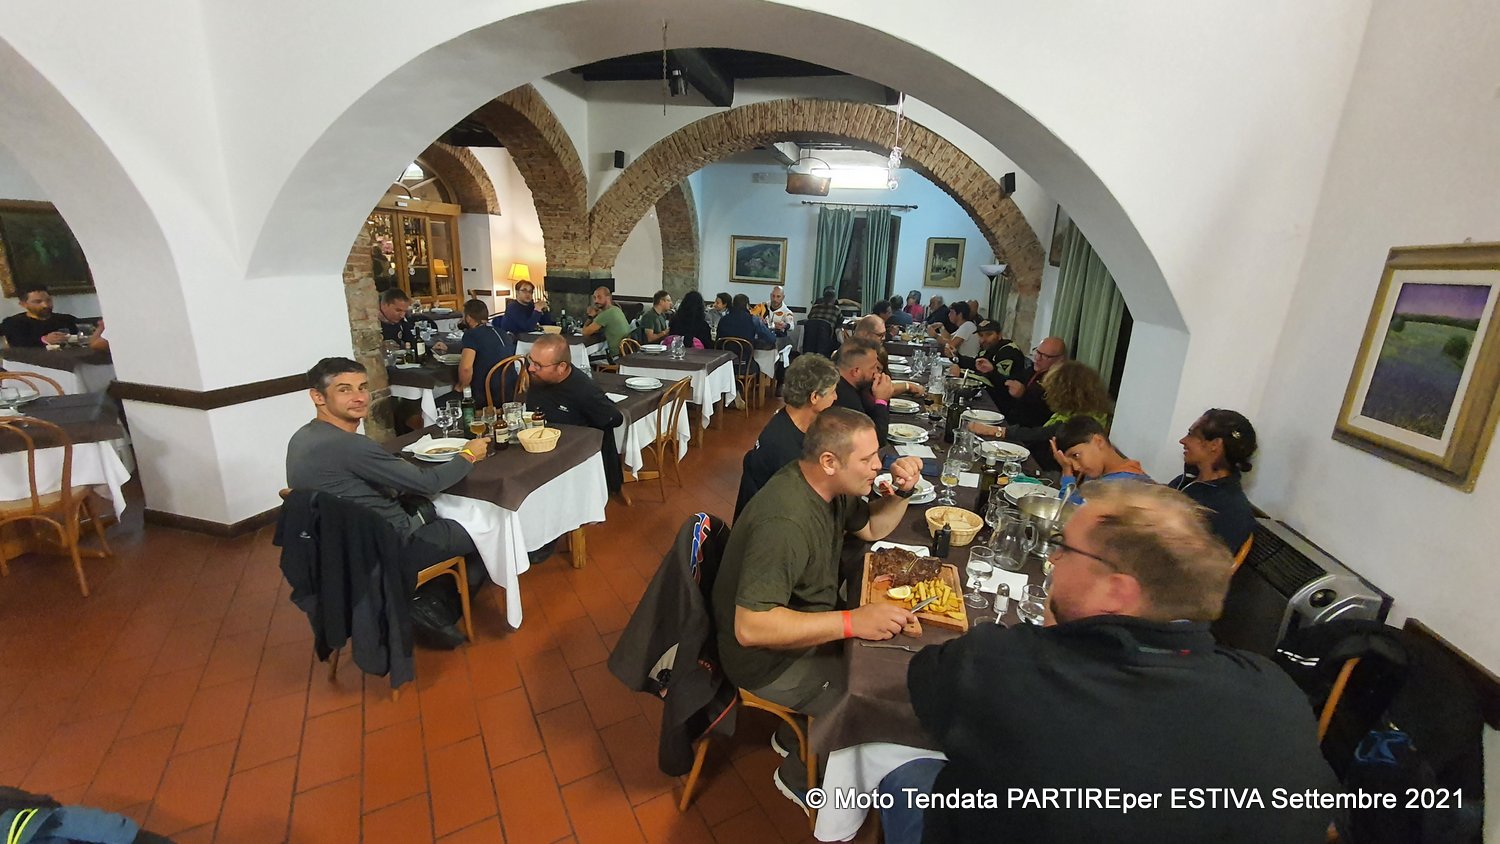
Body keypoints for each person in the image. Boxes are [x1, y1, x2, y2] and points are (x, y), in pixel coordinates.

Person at [903, 481, 1336, 843]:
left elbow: (924, 678)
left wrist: (1051, 634)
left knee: (906, 775)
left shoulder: (1001, 664)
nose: (1052, 559)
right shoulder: (1277, 692)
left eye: (1065, 548)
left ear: (1116, 591)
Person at [714, 408, 924, 806]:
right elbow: (751, 627)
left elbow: (872, 528)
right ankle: (798, 776)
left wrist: (903, 492)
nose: (878, 466)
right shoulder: (786, 521)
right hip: (762, 662)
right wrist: (852, 622)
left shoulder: (828, 488)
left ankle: (794, 732)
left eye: (878, 455)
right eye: (868, 458)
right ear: (829, 461)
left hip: (798, 633)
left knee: (878, 662)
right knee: (867, 697)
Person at [285, 357, 489, 645]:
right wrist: (469, 454)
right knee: (483, 531)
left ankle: (417, 597)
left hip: (332, 552)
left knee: (432, 508)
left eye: (362, 387)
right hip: (381, 551)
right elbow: (428, 483)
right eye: (344, 389)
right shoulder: (348, 445)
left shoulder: (303, 437)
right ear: (318, 397)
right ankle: (431, 606)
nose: (359, 397)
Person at [734, 354, 839, 517]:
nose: (836, 397)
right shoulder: (783, 447)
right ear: (814, 397)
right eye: (832, 392)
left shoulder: (788, 418)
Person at [524, 334, 625, 494]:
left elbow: (615, 419)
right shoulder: (540, 378)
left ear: (561, 367)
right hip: (541, 447)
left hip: (575, 459)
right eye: (530, 361)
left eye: (538, 365)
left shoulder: (584, 390)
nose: (530, 368)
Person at [972, 360, 1111, 472]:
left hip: (1051, 471)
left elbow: (1040, 434)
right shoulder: (1078, 409)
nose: (1048, 394)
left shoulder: (1084, 422)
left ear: (1067, 392)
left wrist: (994, 431)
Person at [1168, 409, 1259, 552]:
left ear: (1215, 445)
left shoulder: (1232, 511)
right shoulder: (1186, 480)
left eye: (1191, 434)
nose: (1183, 440)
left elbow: (1206, 563)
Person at [1051, 415, 1153, 504]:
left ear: (1098, 441)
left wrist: (1067, 474)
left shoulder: (1125, 486)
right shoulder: (1099, 474)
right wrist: (1067, 468)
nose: (1076, 467)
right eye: (1070, 462)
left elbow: (1070, 512)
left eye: (1076, 455)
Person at [454, 298, 517, 407]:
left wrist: (460, 387)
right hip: (510, 392)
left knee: (443, 401)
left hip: (486, 396)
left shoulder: (471, 335)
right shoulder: (502, 332)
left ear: (468, 318)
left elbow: (466, 368)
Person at [995, 336, 1066, 427]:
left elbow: (1044, 413)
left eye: (1045, 356)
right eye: (1037, 352)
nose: (1037, 358)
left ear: (1060, 359)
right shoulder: (1032, 370)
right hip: (1011, 420)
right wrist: (992, 371)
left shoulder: (1060, 381)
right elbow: (1011, 382)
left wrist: (1023, 394)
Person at [831, 342, 893, 446]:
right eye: (873, 367)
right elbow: (876, 440)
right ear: (856, 371)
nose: (877, 373)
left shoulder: (852, 386)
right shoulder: (844, 398)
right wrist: (882, 401)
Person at [949, 319, 1027, 398]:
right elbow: (976, 364)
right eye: (981, 335)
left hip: (1001, 400)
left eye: (989, 334)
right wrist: (956, 357)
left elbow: (1001, 382)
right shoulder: (989, 347)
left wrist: (961, 375)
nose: (983, 340)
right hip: (987, 394)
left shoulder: (1008, 351)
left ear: (999, 335)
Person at [1, 285, 80, 348]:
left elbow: (81, 336)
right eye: (38, 302)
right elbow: (18, 343)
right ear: (23, 304)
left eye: (48, 300)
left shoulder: (67, 319)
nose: (45, 305)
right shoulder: (13, 323)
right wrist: (44, 340)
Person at [580, 286, 631, 357]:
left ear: (608, 297)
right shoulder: (616, 309)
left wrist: (590, 316)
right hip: (625, 354)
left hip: (616, 357)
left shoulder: (606, 314)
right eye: (594, 298)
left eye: (599, 297)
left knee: (585, 358)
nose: (596, 301)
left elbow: (585, 332)